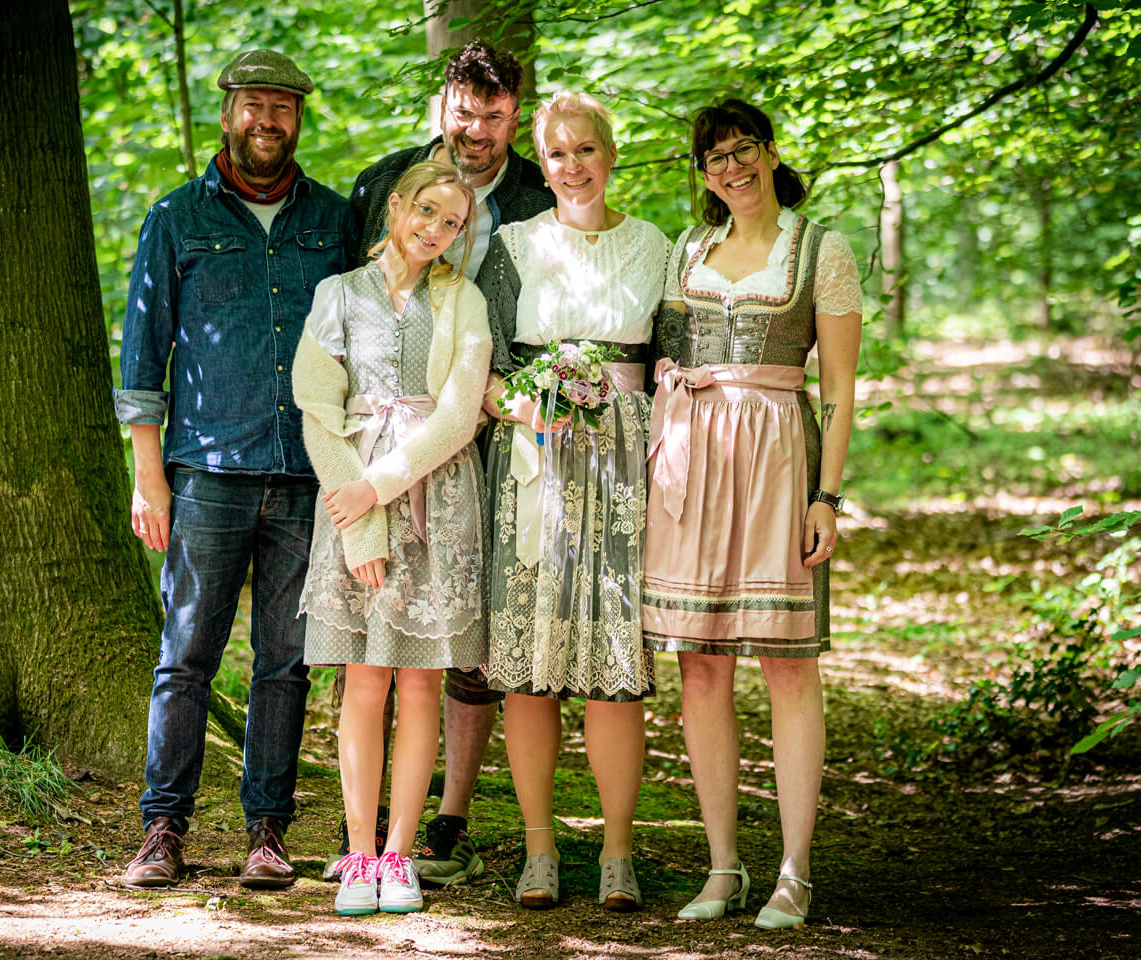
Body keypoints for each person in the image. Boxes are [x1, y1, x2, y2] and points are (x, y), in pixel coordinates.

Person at [113, 49, 355, 890]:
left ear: (299, 117)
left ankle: (267, 833)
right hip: (205, 472)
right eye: (253, 104)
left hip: (305, 476)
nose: (268, 119)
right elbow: (143, 362)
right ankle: (163, 827)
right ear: (227, 112)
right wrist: (150, 479)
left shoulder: (332, 221)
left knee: (285, 662)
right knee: (186, 654)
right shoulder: (176, 217)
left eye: (283, 107)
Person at [327, 40, 554, 887]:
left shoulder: (536, 193)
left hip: (504, 422)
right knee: (376, 624)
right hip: (386, 432)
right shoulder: (384, 184)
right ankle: (365, 829)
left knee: (471, 626)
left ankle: (446, 814)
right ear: (444, 107)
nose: (479, 131)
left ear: (515, 117)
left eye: (496, 117)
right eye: (466, 112)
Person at [642, 98, 863, 929]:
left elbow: (838, 389)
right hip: (695, 462)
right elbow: (665, 352)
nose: (730, 170)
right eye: (714, 160)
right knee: (700, 665)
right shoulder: (688, 249)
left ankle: (795, 871)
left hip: (778, 460)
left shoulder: (820, 249)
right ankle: (723, 865)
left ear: (770, 154)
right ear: (701, 174)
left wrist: (826, 496)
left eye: (742, 152)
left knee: (788, 663)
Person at [478, 92, 670, 912]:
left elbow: (680, 364)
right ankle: (540, 851)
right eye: (557, 154)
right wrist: (514, 403)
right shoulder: (513, 247)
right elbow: (477, 367)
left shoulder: (657, 247)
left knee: (613, 670)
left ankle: (619, 855)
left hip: (628, 467)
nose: (572, 166)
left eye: (586, 149)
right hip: (535, 463)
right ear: (542, 162)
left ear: (611, 153)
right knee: (531, 669)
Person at [294, 161, 492, 915]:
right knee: (364, 682)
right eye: (428, 213)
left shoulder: (463, 301)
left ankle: (401, 856)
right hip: (352, 499)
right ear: (398, 206)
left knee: (420, 682)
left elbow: (457, 413)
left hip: (434, 499)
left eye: (453, 224)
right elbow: (318, 404)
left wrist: (379, 489)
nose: (437, 232)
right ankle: (356, 853)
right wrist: (360, 520)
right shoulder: (337, 295)